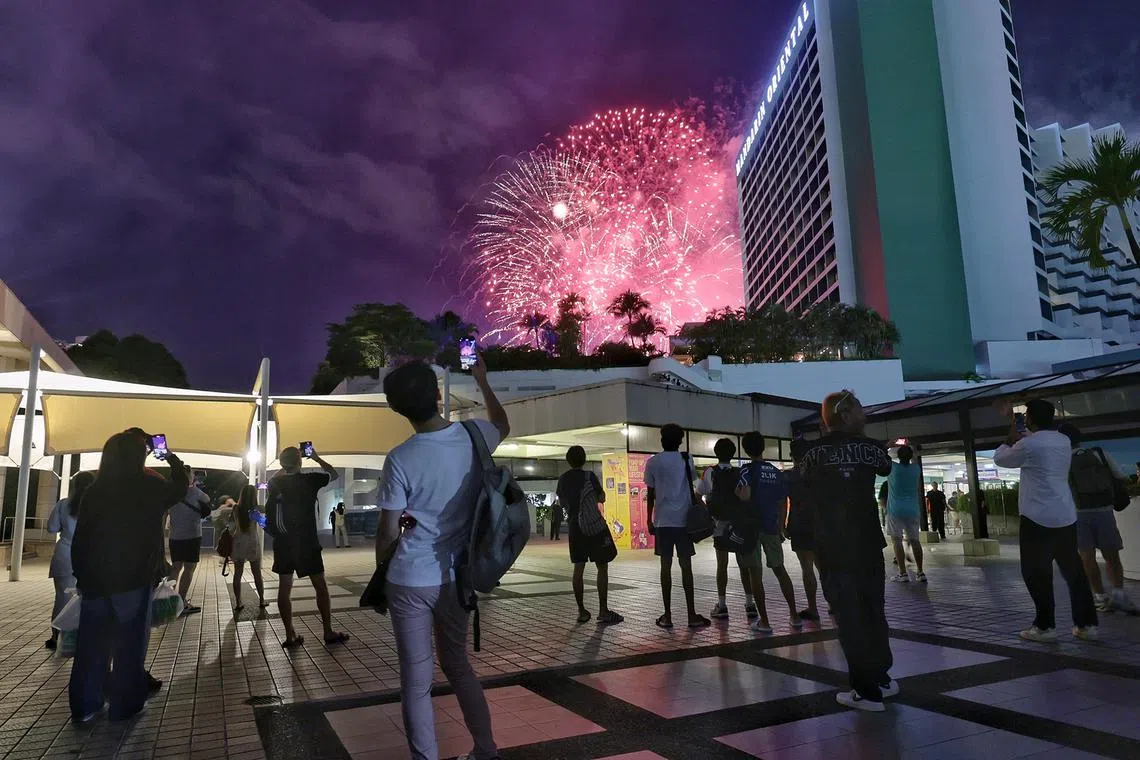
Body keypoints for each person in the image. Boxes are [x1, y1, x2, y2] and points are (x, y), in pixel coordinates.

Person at [375, 356, 508, 760]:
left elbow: (387, 530)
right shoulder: (475, 436)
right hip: (457, 576)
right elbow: (503, 423)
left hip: (409, 578)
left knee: (415, 681)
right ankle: (485, 749)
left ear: (397, 409)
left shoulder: (400, 458)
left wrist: (382, 573)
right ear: (437, 395)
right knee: (459, 666)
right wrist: (482, 381)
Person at [70, 432, 190, 723]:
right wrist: (170, 456)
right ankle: (125, 704)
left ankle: (86, 705)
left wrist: (81, 575)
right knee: (129, 644)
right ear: (139, 456)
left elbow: (81, 538)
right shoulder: (148, 485)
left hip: (95, 582)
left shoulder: (95, 491)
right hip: (133, 579)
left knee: (91, 645)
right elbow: (180, 489)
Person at [802, 390, 896, 712]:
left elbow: (804, 493)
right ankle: (882, 678)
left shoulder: (813, 454)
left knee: (848, 616)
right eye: (859, 410)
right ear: (845, 416)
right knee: (873, 609)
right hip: (868, 541)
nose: (864, 415)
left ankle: (866, 690)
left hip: (833, 544)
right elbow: (886, 468)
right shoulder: (872, 449)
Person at [993, 400, 1098, 642]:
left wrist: (1009, 436)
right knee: (1074, 572)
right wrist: (1014, 422)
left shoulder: (1028, 445)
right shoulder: (1062, 441)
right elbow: (1036, 441)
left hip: (1036, 517)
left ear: (1030, 418)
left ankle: (1045, 627)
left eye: (1026, 415)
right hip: (1065, 514)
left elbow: (1001, 459)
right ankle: (1087, 625)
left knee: (1036, 573)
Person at [267, 444, 348, 648]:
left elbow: (272, 481)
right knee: (320, 586)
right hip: (307, 543)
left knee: (284, 588)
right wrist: (317, 458)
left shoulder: (275, 483)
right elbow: (334, 474)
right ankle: (328, 631)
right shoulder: (310, 480)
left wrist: (285, 464)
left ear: (283, 464)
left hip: (284, 543)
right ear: (300, 461)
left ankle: (289, 635)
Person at [1057, 423, 1137, 614]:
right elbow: (1120, 477)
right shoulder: (1098, 453)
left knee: (1087, 557)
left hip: (1077, 514)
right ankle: (1119, 595)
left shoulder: (1061, 460)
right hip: (1104, 511)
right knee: (1112, 555)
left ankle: (1100, 597)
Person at [644, 423, 709, 630]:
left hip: (663, 521)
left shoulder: (653, 462)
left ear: (662, 439)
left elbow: (651, 493)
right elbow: (693, 483)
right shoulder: (686, 459)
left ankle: (668, 615)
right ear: (680, 440)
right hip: (683, 521)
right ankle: (691, 615)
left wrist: (649, 520)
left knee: (665, 567)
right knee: (686, 567)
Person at [735, 432, 801, 633]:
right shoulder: (775, 472)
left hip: (751, 529)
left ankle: (764, 621)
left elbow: (745, 496)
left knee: (755, 573)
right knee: (780, 570)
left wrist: (737, 493)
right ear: (762, 448)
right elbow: (782, 503)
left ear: (745, 449)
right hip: (771, 527)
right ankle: (794, 615)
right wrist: (781, 526)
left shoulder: (745, 471)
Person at [557, 445, 622, 625]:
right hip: (594, 527)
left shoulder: (562, 479)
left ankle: (582, 611)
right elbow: (601, 497)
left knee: (579, 568)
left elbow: (562, 503)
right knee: (602, 566)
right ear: (584, 459)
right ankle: (603, 610)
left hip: (575, 528)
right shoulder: (589, 476)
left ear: (568, 461)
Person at [696, 438, 757, 621]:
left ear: (716, 453)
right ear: (732, 454)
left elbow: (698, 495)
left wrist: (708, 514)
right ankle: (750, 603)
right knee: (743, 564)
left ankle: (722, 605)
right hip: (738, 523)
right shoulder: (740, 472)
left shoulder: (710, 472)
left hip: (719, 524)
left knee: (721, 565)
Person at [45, 471, 95, 650]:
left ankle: (56, 636)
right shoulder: (97, 505)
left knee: (61, 598)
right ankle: (81, 634)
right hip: (89, 557)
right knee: (87, 598)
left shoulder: (63, 504)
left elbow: (51, 528)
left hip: (64, 555)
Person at [784, 439, 822, 622]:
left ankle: (813, 608)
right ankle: (833, 605)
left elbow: (783, 502)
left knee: (806, 568)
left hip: (798, 523)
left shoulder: (789, 476)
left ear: (792, 456)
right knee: (823, 567)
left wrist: (781, 526)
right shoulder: (818, 474)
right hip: (819, 522)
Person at [166, 465, 211, 615]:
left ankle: (169, 603)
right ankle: (181, 602)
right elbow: (207, 499)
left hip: (175, 536)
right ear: (189, 477)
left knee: (175, 568)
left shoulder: (171, 494)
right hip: (192, 535)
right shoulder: (195, 492)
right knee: (189, 569)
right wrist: (194, 485)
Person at [887, 446, 926, 584]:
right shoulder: (916, 469)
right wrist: (911, 446)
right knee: (915, 541)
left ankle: (903, 573)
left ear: (898, 456)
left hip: (895, 510)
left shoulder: (893, 468)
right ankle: (920, 572)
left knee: (896, 541)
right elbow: (914, 456)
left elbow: (882, 455)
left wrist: (888, 444)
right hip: (913, 510)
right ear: (910, 456)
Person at [230, 485, 267, 612]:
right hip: (252, 542)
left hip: (239, 541)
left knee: (237, 574)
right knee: (257, 573)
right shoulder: (256, 509)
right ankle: (261, 600)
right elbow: (265, 522)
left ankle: (238, 602)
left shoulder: (236, 508)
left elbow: (234, 525)